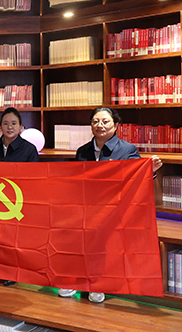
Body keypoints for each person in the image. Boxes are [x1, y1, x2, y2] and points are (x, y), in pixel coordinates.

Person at [58, 106, 163, 304]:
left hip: (114, 210)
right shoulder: (83, 151)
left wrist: (150, 171)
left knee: (100, 245)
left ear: (115, 125)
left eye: (105, 121)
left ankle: (98, 284)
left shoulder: (127, 149)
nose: (100, 125)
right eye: (96, 121)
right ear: (90, 125)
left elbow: (136, 178)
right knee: (77, 242)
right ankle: (77, 281)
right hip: (87, 208)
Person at [0, 107, 38, 286]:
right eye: (5, 123)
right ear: (0, 126)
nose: (9, 127)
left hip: (18, 202)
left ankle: (12, 272)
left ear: (21, 127)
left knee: (14, 239)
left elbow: (34, 179)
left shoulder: (29, 149)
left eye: (14, 123)